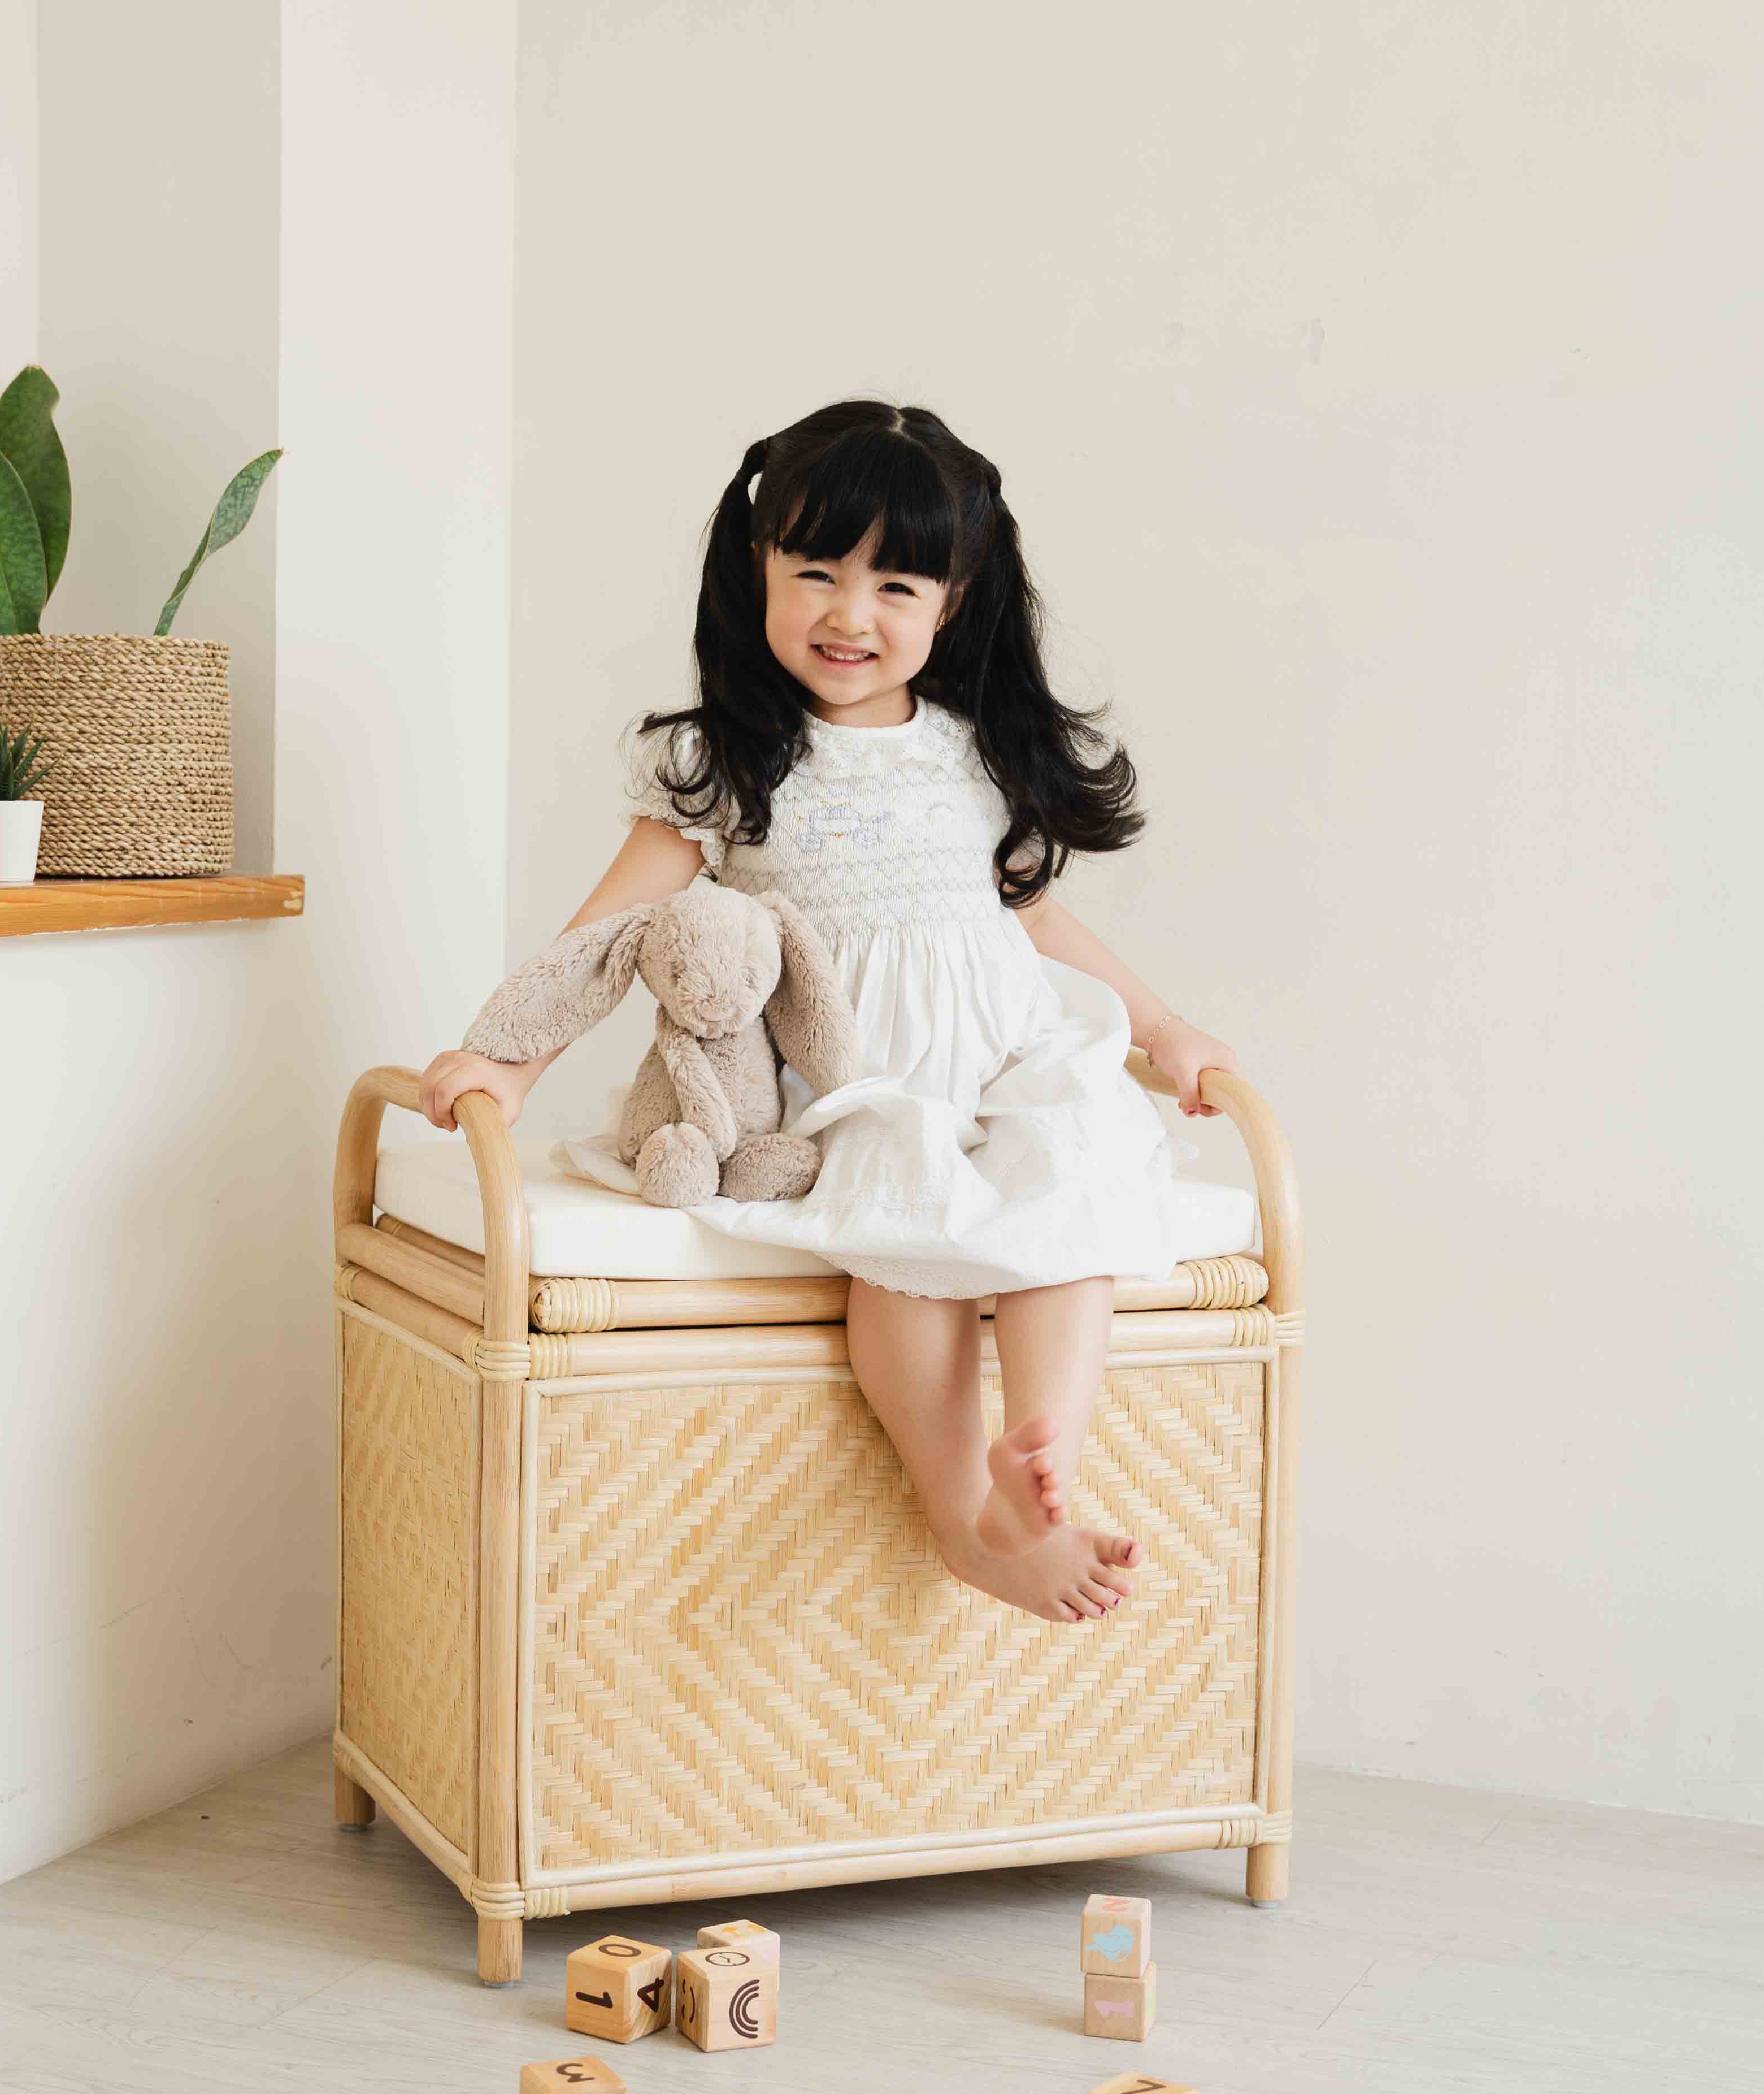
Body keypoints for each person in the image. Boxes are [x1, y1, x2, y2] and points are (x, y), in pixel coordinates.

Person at [420, 399, 1239, 1625]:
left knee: (1070, 1185)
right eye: (815, 572)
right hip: (853, 1075)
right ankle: (962, 1511)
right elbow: (611, 926)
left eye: (896, 585)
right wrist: (506, 1059)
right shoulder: (727, 760)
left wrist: (1164, 1028)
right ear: (754, 570)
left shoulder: (973, 755)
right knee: (906, 1230)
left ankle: (1043, 1452)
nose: (849, 615)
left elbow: (1033, 919)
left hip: (1005, 1056)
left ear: (953, 602)